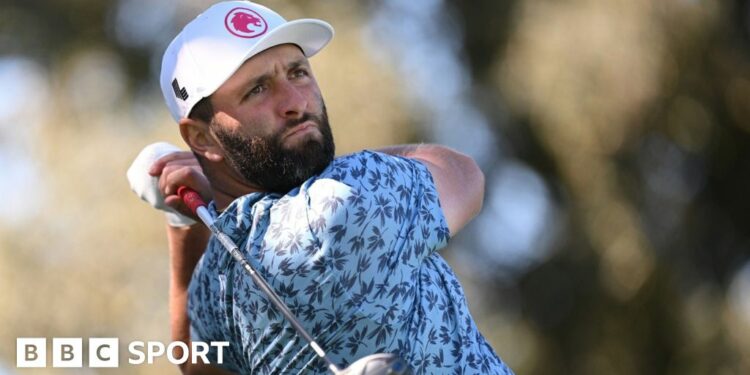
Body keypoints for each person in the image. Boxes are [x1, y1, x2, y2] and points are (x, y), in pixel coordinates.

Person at [133, 1, 513, 374]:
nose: (296, 103)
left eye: (297, 72)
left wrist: (183, 223)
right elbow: (463, 173)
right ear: (201, 138)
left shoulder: (217, 282)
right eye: (258, 90)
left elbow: (197, 361)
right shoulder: (349, 196)